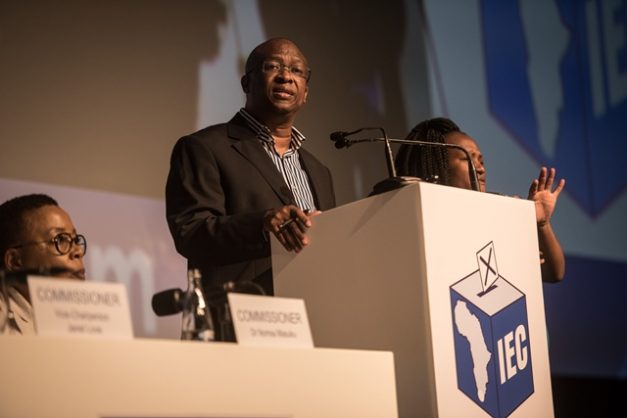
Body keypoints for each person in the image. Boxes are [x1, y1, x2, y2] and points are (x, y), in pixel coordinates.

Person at [165, 38, 336, 315]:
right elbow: (190, 233)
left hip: (311, 317)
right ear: (246, 83)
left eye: (296, 71)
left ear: (306, 92)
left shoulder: (320, 171)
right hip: (236, 319)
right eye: (273, 66)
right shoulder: (204, 147)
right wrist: (261, 224)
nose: (285, 77)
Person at [395, 117, 566, 282]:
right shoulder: (420, 221)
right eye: (467, 158)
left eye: (481, 160)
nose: (480, 168)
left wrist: (542, 224)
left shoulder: (500, 214)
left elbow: (553, 273)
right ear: (438, 164)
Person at [0, 194, 87, 334]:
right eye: (60, 240)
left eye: (76, 240)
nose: (79, 251)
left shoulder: (88, 322)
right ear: (15, 261)